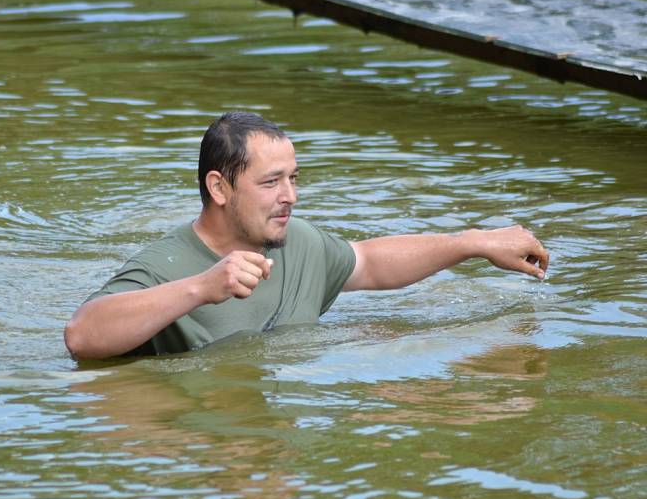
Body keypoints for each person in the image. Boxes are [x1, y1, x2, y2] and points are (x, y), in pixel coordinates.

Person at [65, 112, 549, 359]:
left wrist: (473, 243)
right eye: (271, 182)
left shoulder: (297, 241)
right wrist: (201, 288)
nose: (290, 196)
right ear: (219, 187)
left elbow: (371, 262)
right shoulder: (165, 265)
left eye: (294, 178)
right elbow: (82, 336)